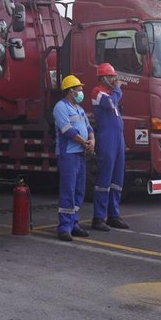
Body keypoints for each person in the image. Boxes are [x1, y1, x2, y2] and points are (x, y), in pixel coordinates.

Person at [53, 74, 94, 240]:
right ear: (70, 91)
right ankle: (64, 227)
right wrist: (85, 143)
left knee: (79, 190)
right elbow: (67, 131)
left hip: (79, 154)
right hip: (68, 154)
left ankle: (74, 223)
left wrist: (92, 141)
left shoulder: (79, 109)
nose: (81, 92)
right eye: (79, 89)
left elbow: (89, 128)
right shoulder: (60, 107)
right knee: (68, 190)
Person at [91, 63, 130, 231]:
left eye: (114, 76)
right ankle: (99, 217)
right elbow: (110, 103)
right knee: (104, 178)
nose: (114, 79)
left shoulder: (111, 93)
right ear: (103, 78)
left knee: (117, 179)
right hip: (107, 138)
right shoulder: (97, 92)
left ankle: (113, 215)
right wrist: (118, 89)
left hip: (118, 138)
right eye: (111, 76)